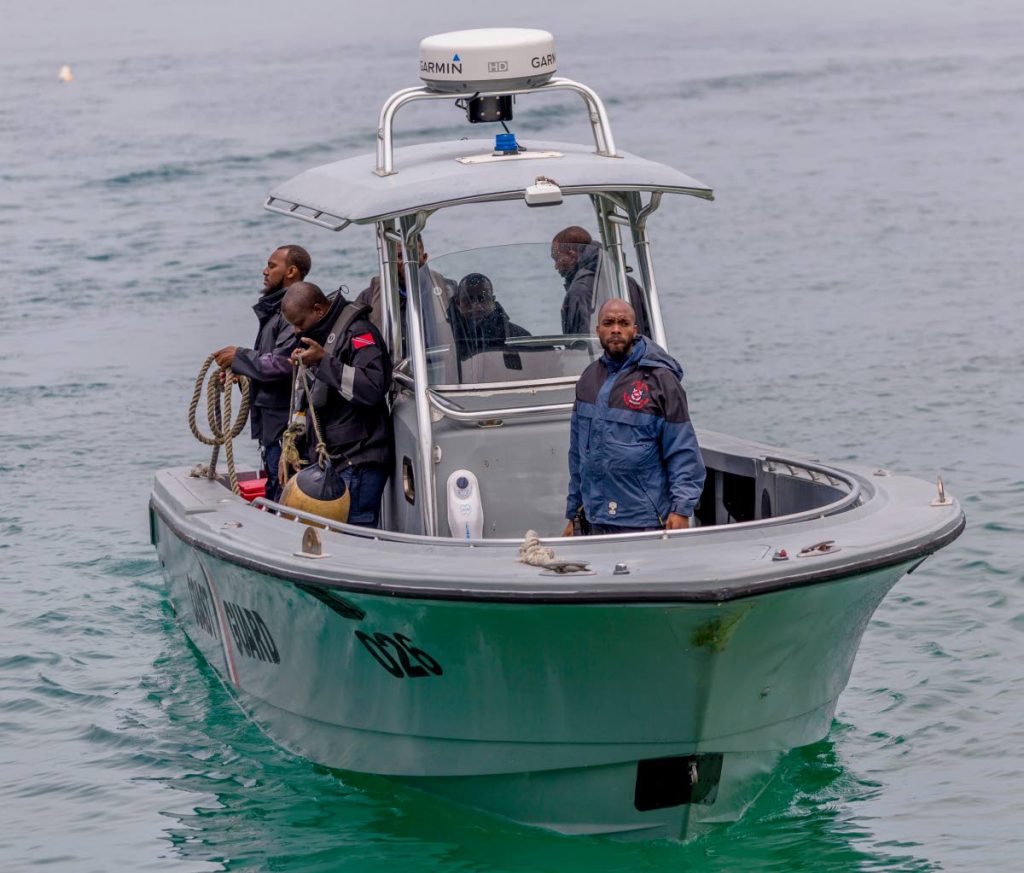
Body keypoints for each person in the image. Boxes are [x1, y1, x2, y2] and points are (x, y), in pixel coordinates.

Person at [562, 299, 705, 536]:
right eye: (608, 323)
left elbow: (683, 449)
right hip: (595, 518)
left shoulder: (661, 381)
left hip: (644, 519)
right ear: (598, 330)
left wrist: (681, 509)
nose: (616, 329)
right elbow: (578, 457)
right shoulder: (588, 380)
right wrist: (573, 514)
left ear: (634, 330)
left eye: (623, 323)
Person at [281, 282, 392, 528]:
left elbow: (372, 388)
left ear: (319, 309)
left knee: (355, 535)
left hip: (358, 458)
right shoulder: (315, 340)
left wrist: (323, 362)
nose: (296, 330)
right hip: (333, 457)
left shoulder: (360, 334)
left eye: (299, 323)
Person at [212, 244, 310, 501]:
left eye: (271, 265)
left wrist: (240, 357)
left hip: (284, 426)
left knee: (283, 495)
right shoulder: (275, 312)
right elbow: (270, 363)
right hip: (273, 426)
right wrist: (240, 372)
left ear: (291, 271)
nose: (264, 271)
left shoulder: (293, 311)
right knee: (276, 490)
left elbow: (286, 364)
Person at [355, 236, 453, 355]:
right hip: (391, 369)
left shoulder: (447, 291)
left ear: (425, 257)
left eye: (413, 254)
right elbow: (356, 341)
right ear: (390, 261)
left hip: (439, 367)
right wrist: (376, 342)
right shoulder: (368, 298)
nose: (408, 262)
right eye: (401, 256)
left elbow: (464, 332)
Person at [550, 226, 651, 336]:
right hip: (638, 352)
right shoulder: (628, 282)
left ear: (572, 255)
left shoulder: (580, 290)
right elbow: (648, 328)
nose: (556, 266)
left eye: (557, 259)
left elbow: (582, 345)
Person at [446, 272, 530, 359]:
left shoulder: (518, 336)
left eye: (482, 298)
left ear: (492, 301)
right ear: (458, 302)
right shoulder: (441, 336)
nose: (476, 306)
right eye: (469, 299)